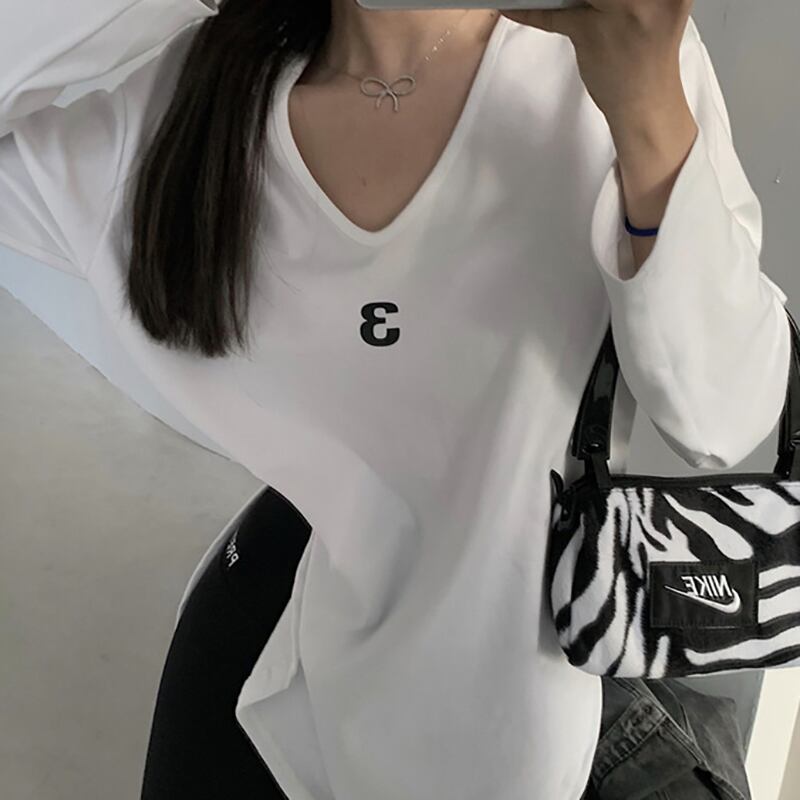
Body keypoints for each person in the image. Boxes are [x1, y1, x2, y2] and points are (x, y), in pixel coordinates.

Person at [1, 1, 791, 798]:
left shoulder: (603, 62)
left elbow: (722, 416)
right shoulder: (198, 109)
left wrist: (646, 105)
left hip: (545, 715)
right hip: (298, 685)